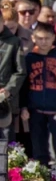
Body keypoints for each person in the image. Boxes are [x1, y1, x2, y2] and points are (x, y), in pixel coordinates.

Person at [20, 22, 56, 181]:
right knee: (39, 143)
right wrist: (24, 106)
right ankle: (43, 174)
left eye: (47, 38)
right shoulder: (29, 58)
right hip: (35, 109)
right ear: (33, 38)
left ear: (53, 38)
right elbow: (24, 85)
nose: (43, 42)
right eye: (40, 38)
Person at [0, 14, 25, 154]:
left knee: (6, 141)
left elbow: (20, 71)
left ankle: (7, 174)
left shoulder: (14, 42)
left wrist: (9, 89)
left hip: (5, 101)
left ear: (3, 22)